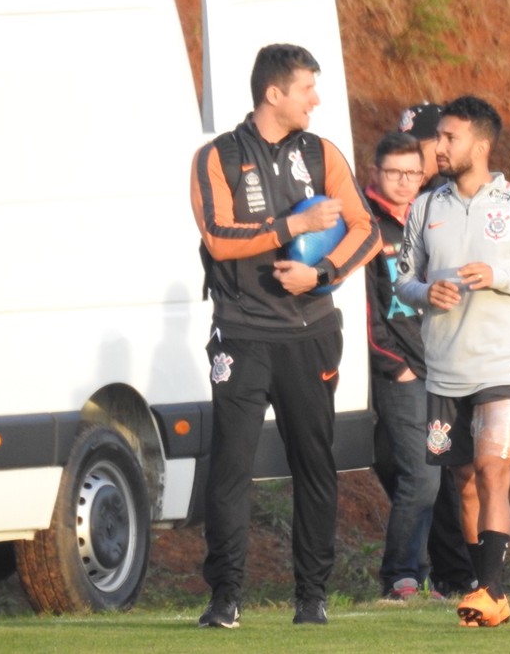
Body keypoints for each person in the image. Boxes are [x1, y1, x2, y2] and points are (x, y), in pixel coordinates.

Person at [189, 43, 381, 629]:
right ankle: (225, 597)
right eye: (307, 89)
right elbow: (219, 237)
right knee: (230, 467)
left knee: (314, 464)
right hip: (241, 334)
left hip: (309, 333)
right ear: (274, 94)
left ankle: (312, 598)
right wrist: (291, 225)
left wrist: (320, 274)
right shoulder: (217, 156)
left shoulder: (322, 153)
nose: (315, 100)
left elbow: (366, 230)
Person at [395, 95, 510, 627]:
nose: (437, 146)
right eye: (438, 137)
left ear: (479, 146)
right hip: (446, 366)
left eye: (448, 138)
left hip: (506, 361)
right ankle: (487, 589)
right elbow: (403, 281)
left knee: (492, 469)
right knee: (464, 481)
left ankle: (492, 589)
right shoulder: (425, 207)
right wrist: (424, 292)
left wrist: (499, 277)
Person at [394, 100, 478, 598]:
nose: (423, 155)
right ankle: (420, 571)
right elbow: (395, 288)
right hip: (406, 362)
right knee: (433, 470)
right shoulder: (408, 210)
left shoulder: (457, 204)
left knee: (460, 470)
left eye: (424, 144)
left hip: (453, 356)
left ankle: (462, 573)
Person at [364, 131, 440, 600]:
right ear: (376, 172)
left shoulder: (430, 218)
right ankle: (400, 576)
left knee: (427, 474)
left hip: (439, 363)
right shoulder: (365, 224)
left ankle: (422, 573)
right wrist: (394, 366)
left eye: (413, 173)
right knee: (422, 474)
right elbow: (366, 310)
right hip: (399, 368)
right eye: (394, 172)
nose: (404, 181)